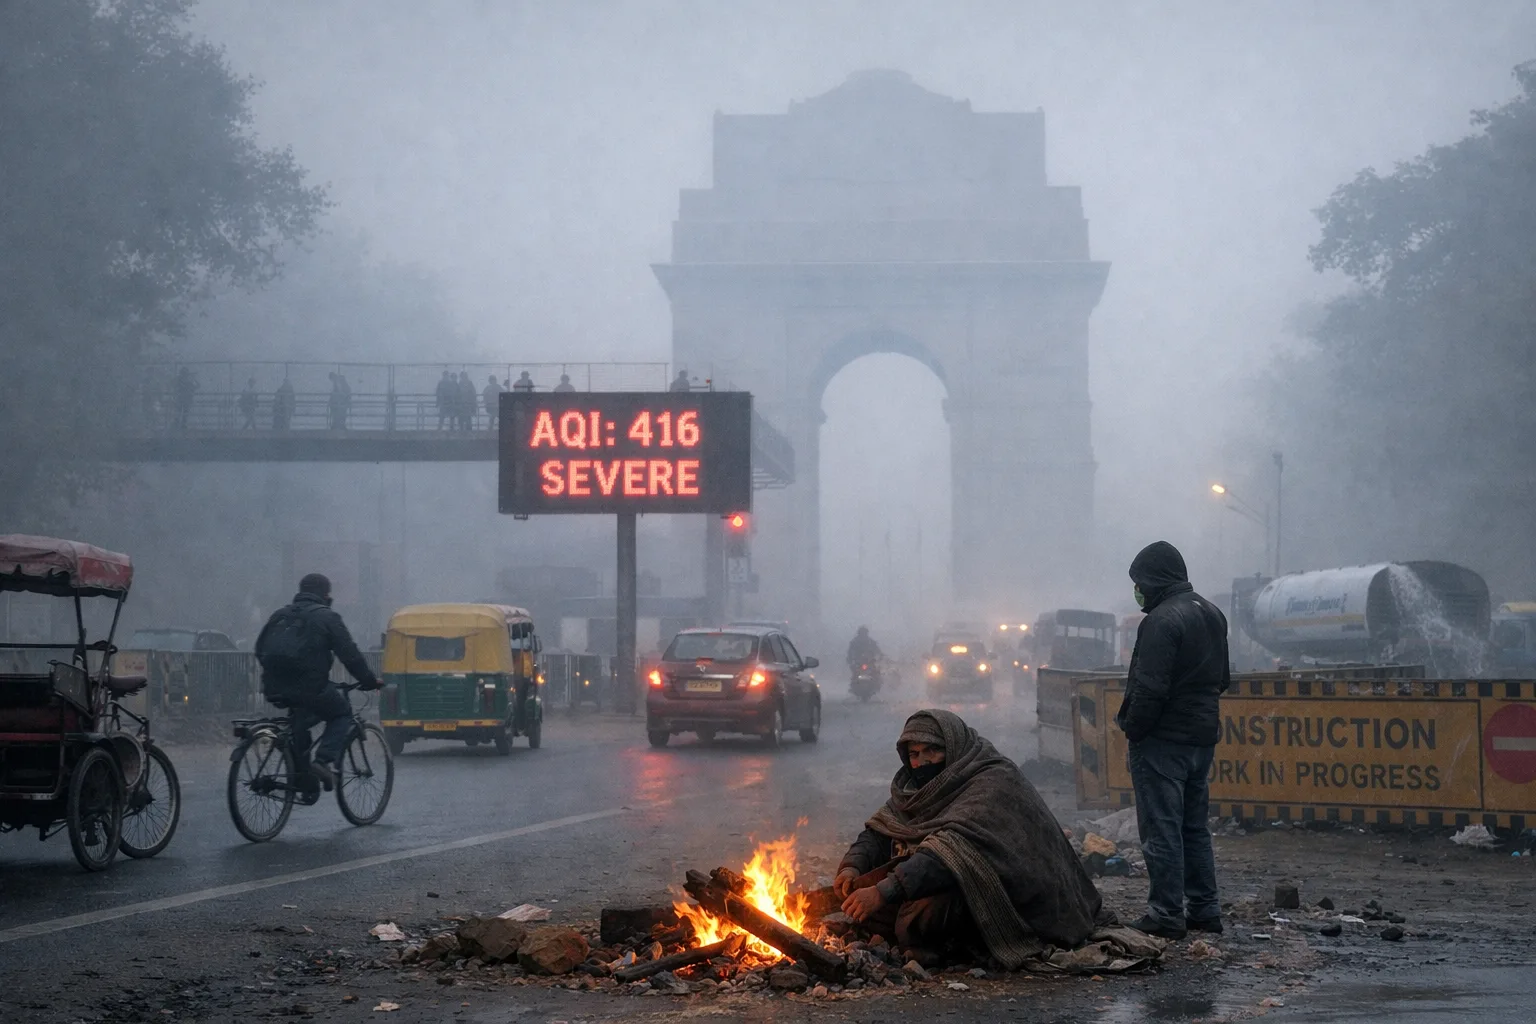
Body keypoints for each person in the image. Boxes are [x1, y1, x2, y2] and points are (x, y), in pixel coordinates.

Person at [835, 709, 1107, 968]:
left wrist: (884, 891)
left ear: (953, 748)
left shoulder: (992, 780)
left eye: (933, 750)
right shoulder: (918, 790)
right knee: (866, 902)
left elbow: (949, 851)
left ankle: (947, 947)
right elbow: (882, 830)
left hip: (1020, 896)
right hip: (951, 876)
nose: (924, 761)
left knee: (922, 911)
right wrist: (852, 866)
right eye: (915, 754)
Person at [1114, 540, 1230, 940]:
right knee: (1194, 828)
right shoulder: (1211, 613)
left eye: (1139, 582)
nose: (1137, 590)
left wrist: (1135, 730)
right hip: (1201, 739)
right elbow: (1223, 680)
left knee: (1161, 827)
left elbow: (1150, 689)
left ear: (1154, 579)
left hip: (1162, 742)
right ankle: (1205, 909)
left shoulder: (1162, 621)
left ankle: (1165, 913)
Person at [254, 573, 380, 800]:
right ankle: (322, 761)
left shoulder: (279, 615)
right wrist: (369, 680)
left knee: (300, 722)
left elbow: (259, 648)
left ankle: (303, 781)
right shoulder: (327, 617)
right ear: (325, 594)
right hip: (310, 688)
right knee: (341, 713)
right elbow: (350, 656)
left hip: (273, 687)